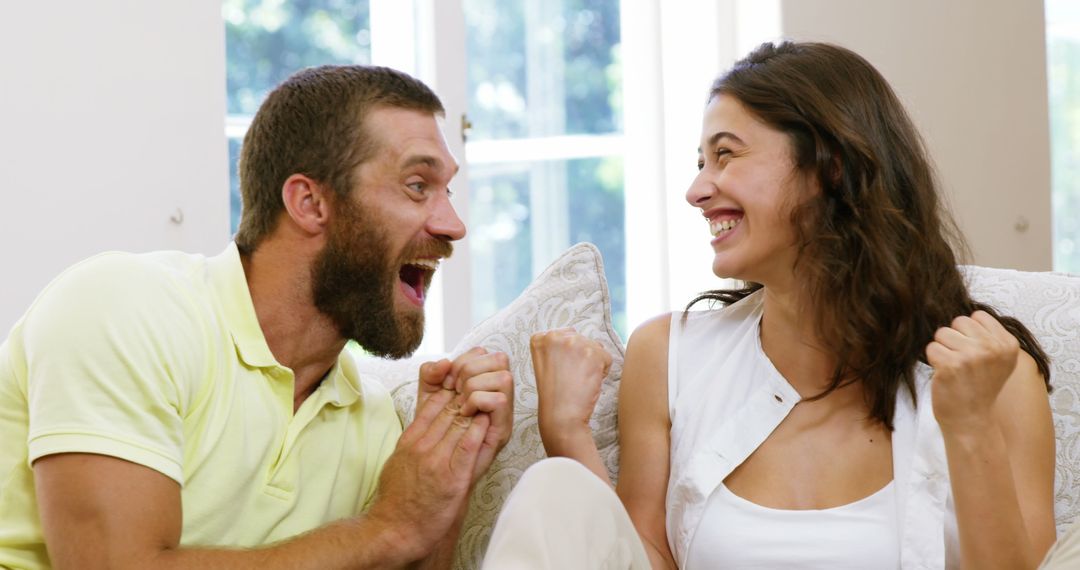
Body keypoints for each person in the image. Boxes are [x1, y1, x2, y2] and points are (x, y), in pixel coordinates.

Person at [502, 41, 1059, 569]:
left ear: (829, 166)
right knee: (553, 488)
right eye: (700, 161)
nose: (696, 190)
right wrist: (568, 434)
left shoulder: (992, 376)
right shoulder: (669, 356)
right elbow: (643, 555)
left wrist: (969, 426)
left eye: (725, 154)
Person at [0, 65, 513, 569]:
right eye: (418, 185)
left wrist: (451, 472)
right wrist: (386, 528)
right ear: (309, 203)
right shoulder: (123, 307)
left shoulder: (372, 420)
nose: (454, 225)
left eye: (447, 191)